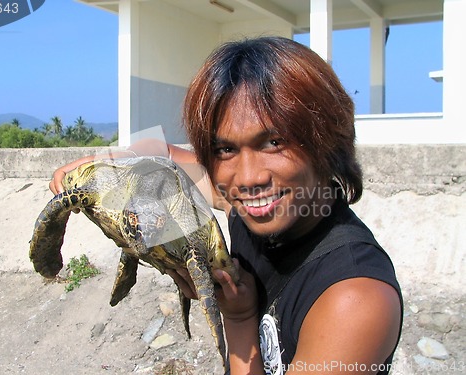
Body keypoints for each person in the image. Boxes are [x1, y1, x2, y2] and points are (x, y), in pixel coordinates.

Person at [49, 36, 402, 375]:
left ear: (327, 139)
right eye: (224, 149)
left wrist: (238, 319)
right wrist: (99, 165)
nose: (247, 178)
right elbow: (163, 151)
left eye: (274, 142)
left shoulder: (354, 298)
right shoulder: (250, 209)